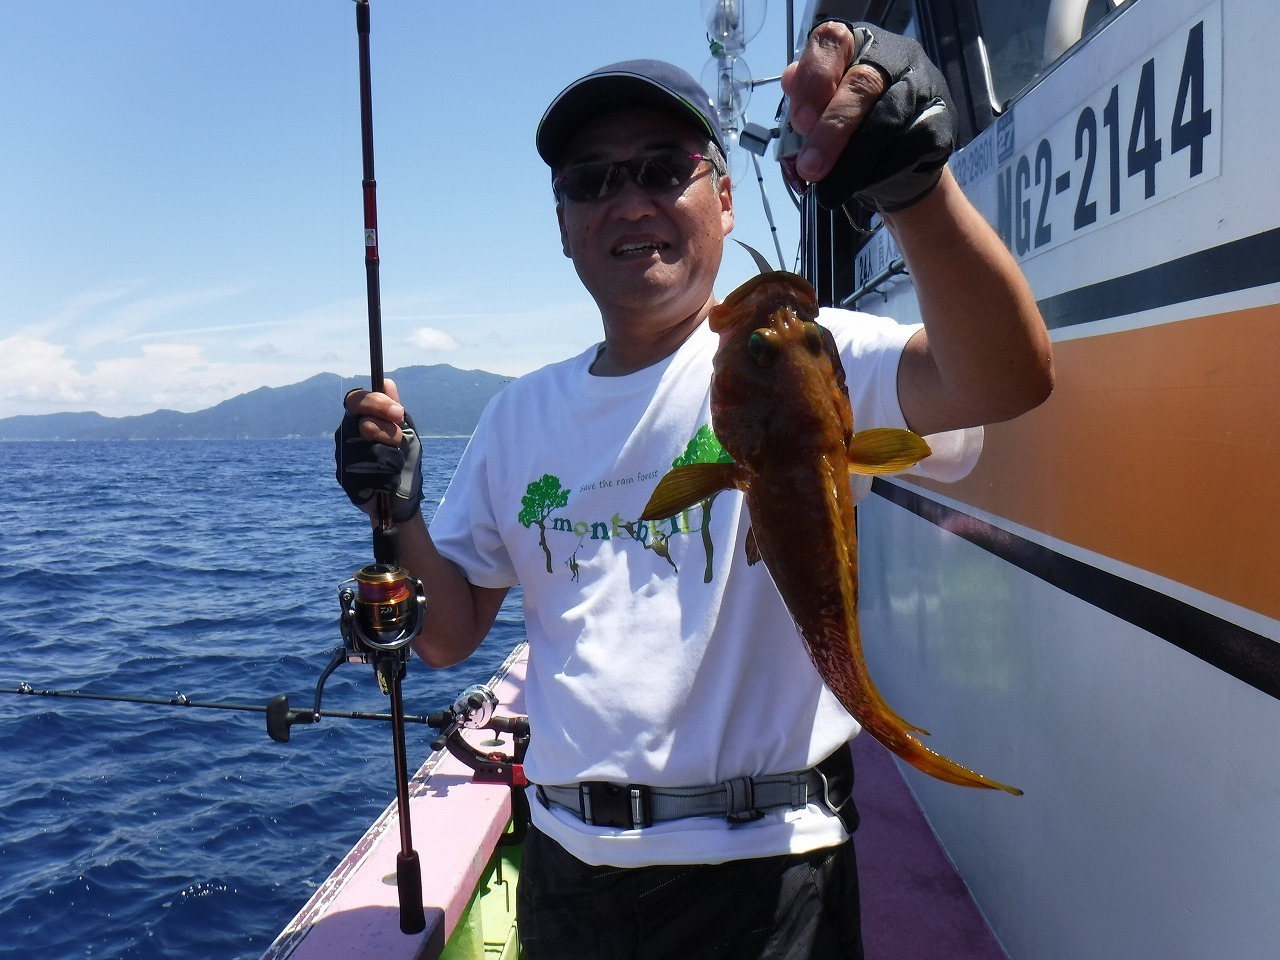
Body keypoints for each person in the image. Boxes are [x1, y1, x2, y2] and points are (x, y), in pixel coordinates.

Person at [337, 20, 1053, 960]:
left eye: (662, 168)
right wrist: (396, 510)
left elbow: (1006, 378)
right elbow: (448, 633)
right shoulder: (518, 416)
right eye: (591, 181)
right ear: (562, 228)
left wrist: (914, 188)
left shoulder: (814, 353)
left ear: (722, 196)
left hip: (771, 874)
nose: (628, 200)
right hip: (570, 866)